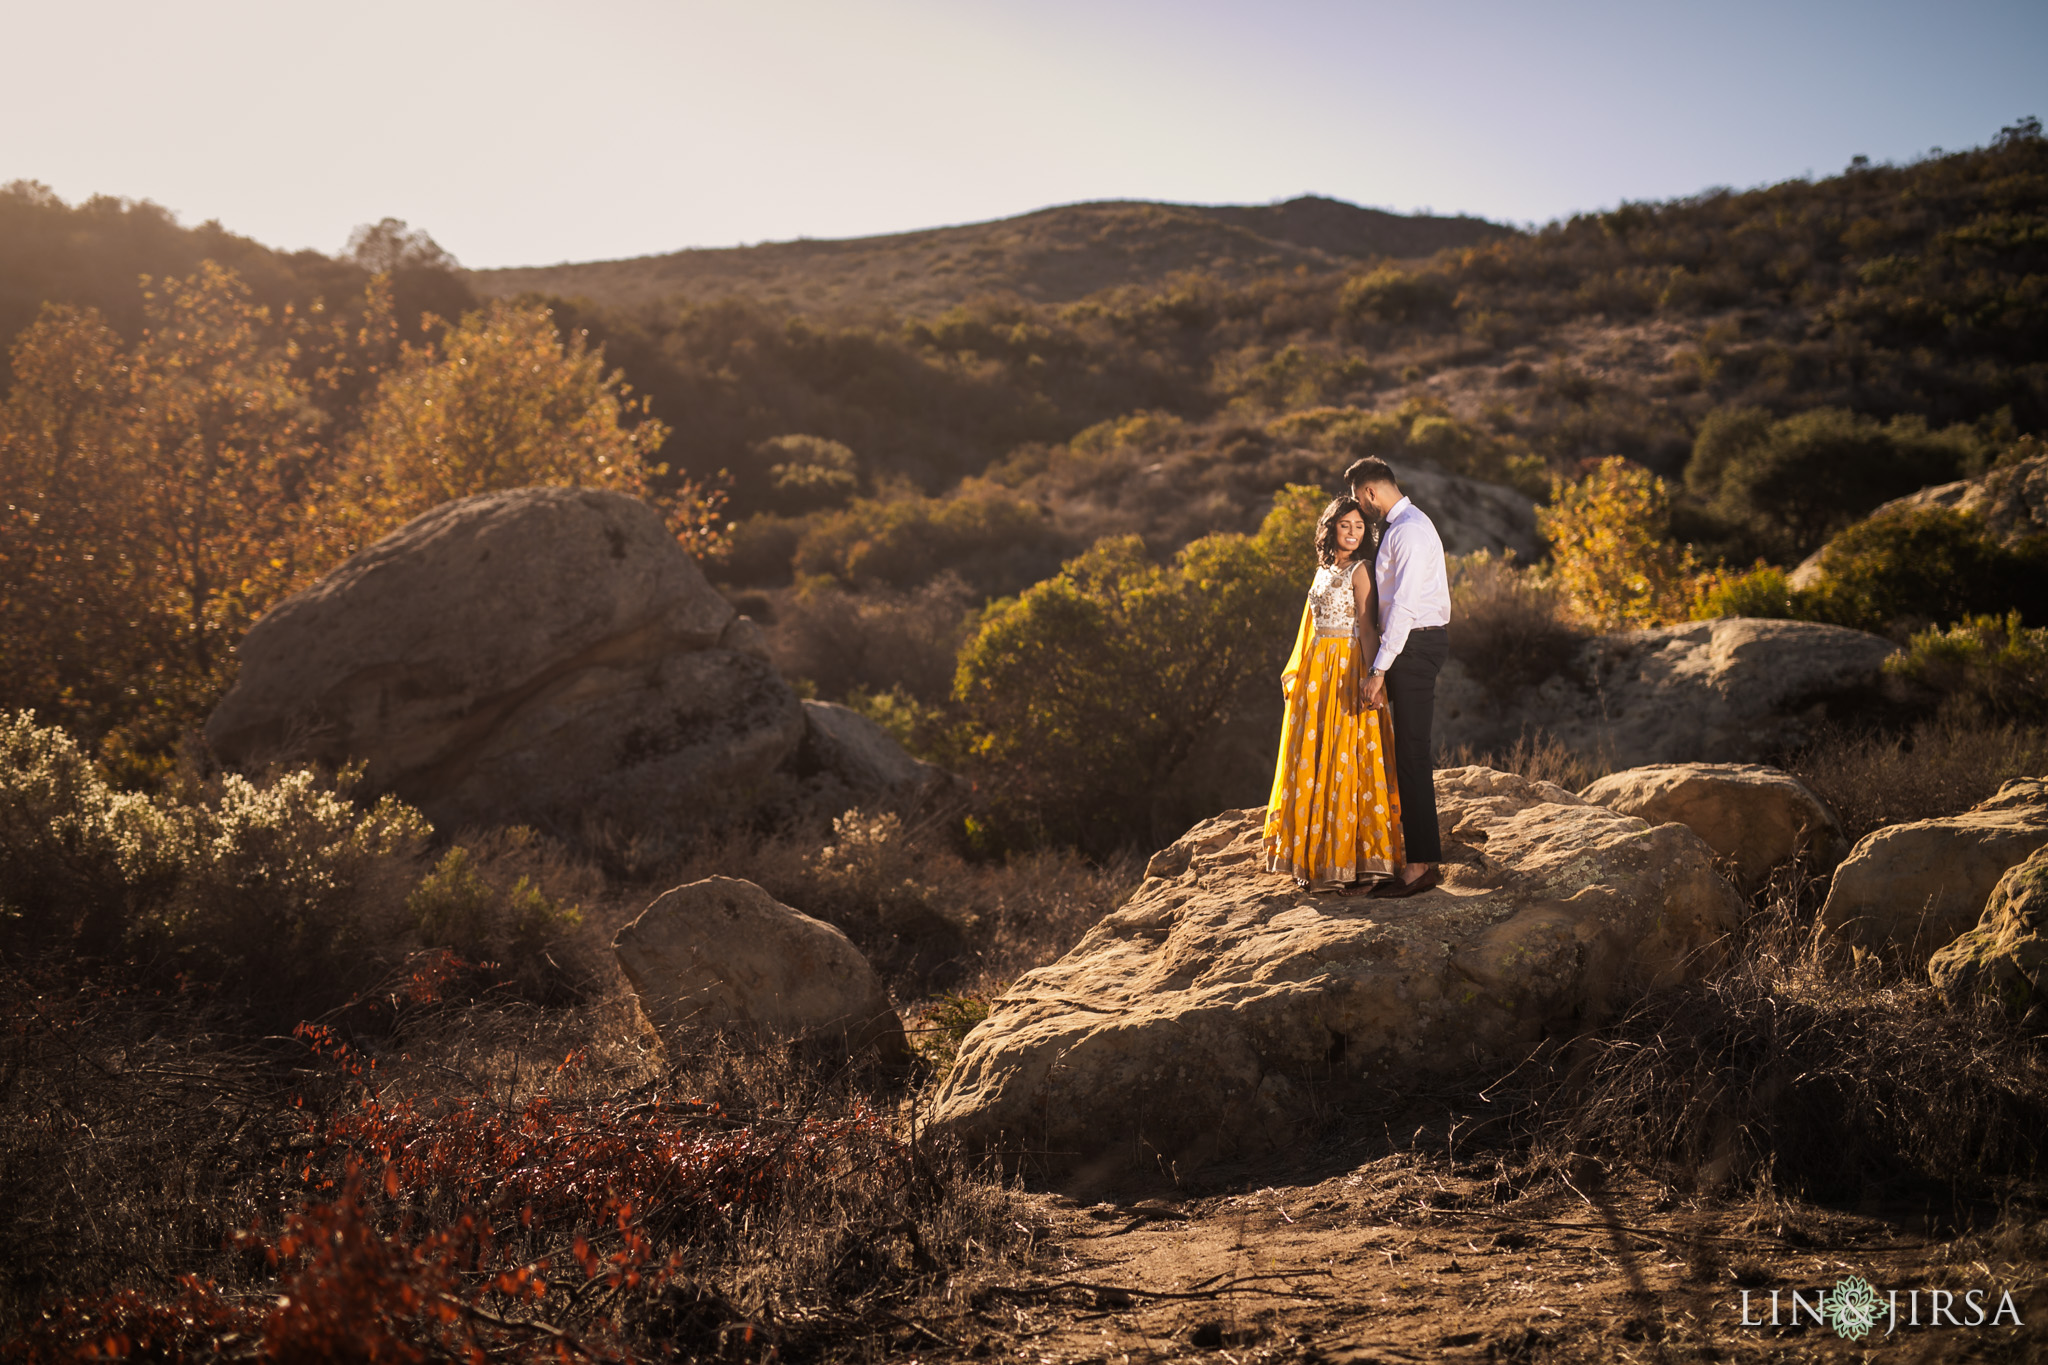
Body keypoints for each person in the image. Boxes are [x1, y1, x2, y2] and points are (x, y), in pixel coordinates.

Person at [1263, 496, 1405, 893]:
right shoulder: (1323, 570)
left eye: (1359, 527)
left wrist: (1375, 676)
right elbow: (1308, 627)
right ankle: (1310, 857)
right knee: (1312, 757)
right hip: (1316, 675)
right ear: (1331, 528)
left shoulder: (1361, 571)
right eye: (1346, 525)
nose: (1353, 533)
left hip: (1347, 669)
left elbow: (1367, 626)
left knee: (1345, 756)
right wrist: (1299, 673)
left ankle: (1344, 860)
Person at [1346, 458, 1451, 898]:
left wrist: (1377, 670)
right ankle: (1388, 852)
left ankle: (1422, 865)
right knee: (1399, 749)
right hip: (1411, 645)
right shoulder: (1404, 523)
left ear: (1369, 492)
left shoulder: (1407, 530)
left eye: (1358, 501)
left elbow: (1405, 608)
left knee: (1410, 754)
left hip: (1413, 646)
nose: (1359, 510)